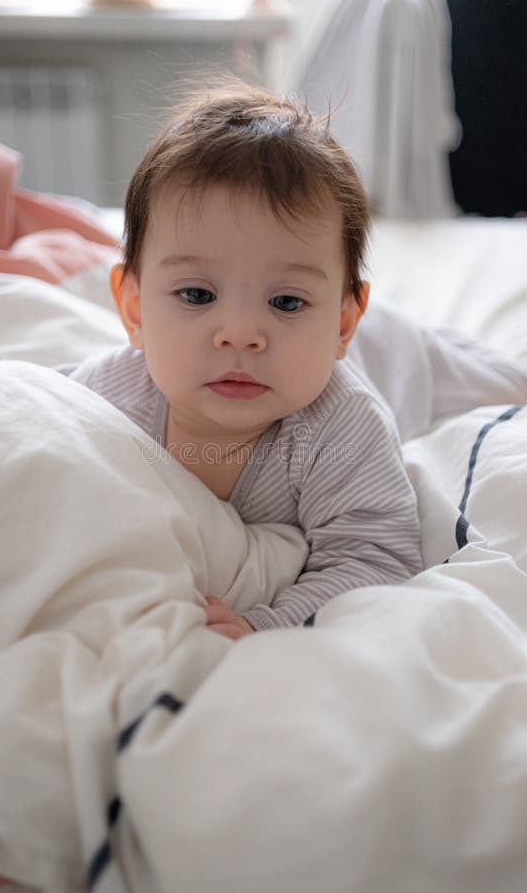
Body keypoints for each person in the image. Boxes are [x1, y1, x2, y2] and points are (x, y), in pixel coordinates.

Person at [59, 80, 424, 640]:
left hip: (399, 362)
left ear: (344, 324)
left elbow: (375, 560)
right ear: (133, 309)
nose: (240, 335)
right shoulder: (105, 401)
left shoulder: (342, 428)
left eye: (285, 301)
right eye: (197, 295)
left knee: (431, 359)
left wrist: (266, 624)